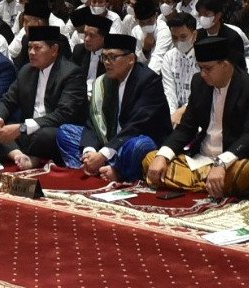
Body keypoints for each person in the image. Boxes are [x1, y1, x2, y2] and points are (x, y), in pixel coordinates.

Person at [143, 36, 249, 198]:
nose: (203, 74)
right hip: (202, 159)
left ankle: (199, 183)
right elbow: (186, 128)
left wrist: (222, 163)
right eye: (200, 68)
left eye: (207, 69)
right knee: (151, 158)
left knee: (245, 171)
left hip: (233, 160)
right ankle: (208, 184)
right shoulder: (199, 83)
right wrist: (163, 155)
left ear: (225, 65)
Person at [56, 33, 171, 183]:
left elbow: (137, 125)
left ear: (130, 59)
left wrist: (103, 154)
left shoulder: (148, 81)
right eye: (104, 57)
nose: (107, 63)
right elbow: (93, 122)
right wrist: (89, 150)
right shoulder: (103, 82)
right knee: (65, 131)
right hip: (109, 141)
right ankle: (91, 165)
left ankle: (118, 172)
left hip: (134, 139)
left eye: (112, 57)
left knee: (139, 146)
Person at [0, 26, 86, 169]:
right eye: (29, 48)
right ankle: (19, 156)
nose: (31, 52)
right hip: (28, 132)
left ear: (54, 50)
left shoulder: (72, 73)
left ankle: (29, 156)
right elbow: (7, 101)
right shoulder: (26, 70)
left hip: (52, 130)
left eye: (37, 48)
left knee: (44, 135)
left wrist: (22, 128)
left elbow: (63, 115)